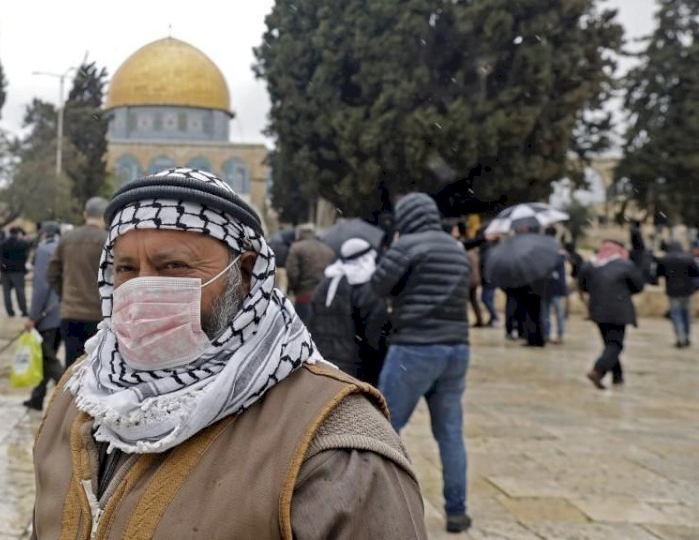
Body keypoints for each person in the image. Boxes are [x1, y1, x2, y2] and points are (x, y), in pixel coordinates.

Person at [31, 168, 425, 539]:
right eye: (126, 269)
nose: (142, 289)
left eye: (173, 265)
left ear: (247, 272)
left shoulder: (334, 445)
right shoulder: (79, 394)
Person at [371, 192, 472, 534]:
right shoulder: (455, 250)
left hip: (414, 347)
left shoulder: (407, 246)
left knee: (383, 428)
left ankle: (374, 505)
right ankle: (457, 511)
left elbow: (378, 285)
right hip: (456, 348)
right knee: (450, 433)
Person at [307, 237, 388, 384]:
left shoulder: (325, 284)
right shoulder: (367, 290)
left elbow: (311, 323)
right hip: (356, 368)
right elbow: (374, 335)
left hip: (323, 363)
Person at [47, 197, 108, 368]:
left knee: (72, 366)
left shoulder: (68, 238)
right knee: (96, 367)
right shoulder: (108, 240)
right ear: (105, 216)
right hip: (99, 315)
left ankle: (70, 395)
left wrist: (65, 293)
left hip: (71, 312)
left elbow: (51, 272)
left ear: (85, 214)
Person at [579, 240, 645, 389]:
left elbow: (583, 285)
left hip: (597, 309)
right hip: (618, 310)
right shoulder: (625, 265)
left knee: (609, 343)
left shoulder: (590, 265)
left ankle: (618, 377)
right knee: (615, 345)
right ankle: (598, 370)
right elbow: (638, 286)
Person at [22, 222, 63, 411]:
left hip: (48, 313)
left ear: (44, 233)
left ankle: (69, 397)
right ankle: (37, 398)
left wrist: (33, 316)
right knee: (45, 357)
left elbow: (41, 287)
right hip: (66, 310)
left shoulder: (44, 250)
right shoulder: (64, 248)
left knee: (48, 358)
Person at [504, 218, 549, 347]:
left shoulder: (525, 246)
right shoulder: (540, 245)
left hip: (528, 285)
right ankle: (537, 338)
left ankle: (532, 338)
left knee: (528, 313)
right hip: (538, 285)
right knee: (535, 313)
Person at [285, 223, 335, 323]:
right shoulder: (328, 250)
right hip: (325, 298)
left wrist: (292, 288)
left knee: (303, 332)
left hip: (304, 296)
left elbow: (292, 272)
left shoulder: (296, 248)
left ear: (299, 234)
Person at [655, 241, 699, 348]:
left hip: (672, 290)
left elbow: (658, 273)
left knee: (676, 314)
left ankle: (680, 337)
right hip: (687, 290)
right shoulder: (688, 258)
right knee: (686, 314)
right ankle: (687, 337)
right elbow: (696, 272)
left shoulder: (665, 259)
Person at [542, 230, 569, 345]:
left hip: (552, 287)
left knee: (554, 313)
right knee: (548, 313)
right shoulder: (558, 254)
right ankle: (549, 334)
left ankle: (558, 335)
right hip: (548, 287)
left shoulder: (559, 255)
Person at [0, 226, 32, 318]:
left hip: (5, 270)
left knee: (6, 292)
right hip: (18, 271)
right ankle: (23, 311)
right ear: (18, 233)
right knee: (20, 291)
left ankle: (10, 311)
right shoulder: (22, 243)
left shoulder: (4, 243)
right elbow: (28, 250)